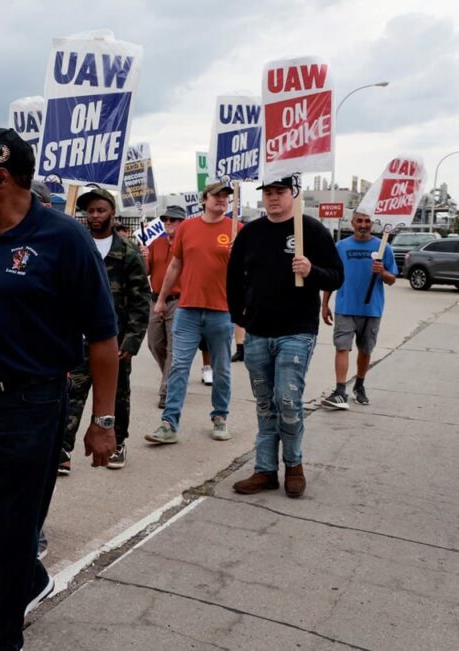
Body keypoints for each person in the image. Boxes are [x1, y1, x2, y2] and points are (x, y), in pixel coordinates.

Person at [0, 128, 119, 651]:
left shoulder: (65, 238)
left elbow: (103, 338)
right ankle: (26, 579)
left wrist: (102, 421)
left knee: (15, 522)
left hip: (31, 402)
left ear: (1, 176)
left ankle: (5, 628)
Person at [228, 176, 343, 497]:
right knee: (265, 405)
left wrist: (311, 271)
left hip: (297, 331)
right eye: (268, 192)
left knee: (288, 401)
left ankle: (294, 465)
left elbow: (337, 276)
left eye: (279, 192)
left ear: (293, 194)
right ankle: (265, 471)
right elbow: (234, 279)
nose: (273, 198)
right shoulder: (250, 233)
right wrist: (240, 317)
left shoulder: (311, 230)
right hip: (257, 333)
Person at [58, 188, 151, 474]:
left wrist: (132, 341)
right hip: (78, 340)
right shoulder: (77, 246)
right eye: (90, 211)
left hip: (115, 341)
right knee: (72, 393)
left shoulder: (127, 252)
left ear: (112, 212)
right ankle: (63, 448)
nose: (95, 215)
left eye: (100, 210)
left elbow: (140, 300)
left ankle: (117, 442)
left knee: (117, 395)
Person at [146, 182, 241, 445]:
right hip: (187, 310)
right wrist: (162, 299)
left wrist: (239, 257)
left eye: (226, 197)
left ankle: (220, 417)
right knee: (178, 366)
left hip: (221, 312)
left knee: (221, 369)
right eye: (217, 195)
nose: (222, 200)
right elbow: (175, 265)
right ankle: (169, 423)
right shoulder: (187, 227)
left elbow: (248, 273)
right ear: (204, 199)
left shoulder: (237, 230)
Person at [320, 208, 396, 409]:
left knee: (365, 350)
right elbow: (332, 275)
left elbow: (392, 279)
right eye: (359, 221)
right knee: (342, 347)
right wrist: (325, 303)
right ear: (352, 223)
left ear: (373, 223)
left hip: (372, 308)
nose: (363, 225)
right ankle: (340, 390)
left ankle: (359, 385)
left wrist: (382, 272)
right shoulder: (340, 246)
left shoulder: (383, 248)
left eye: (367, 221)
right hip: (345, 307)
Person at [143, 205, 185, 408]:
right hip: (155, 300)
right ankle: (173, 378)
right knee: (154, 343)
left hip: (179, 300)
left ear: (182, 223)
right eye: (166, 219)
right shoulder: (155, 243)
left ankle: (166, 391)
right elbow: (145, 271)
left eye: (173, 220)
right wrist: (142, 257)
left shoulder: (187, 244)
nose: (168, 222)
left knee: (173, 349)